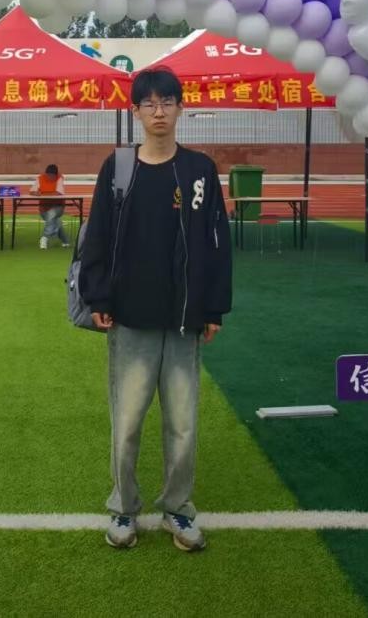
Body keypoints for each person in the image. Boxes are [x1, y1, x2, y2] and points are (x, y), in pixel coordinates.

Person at [77, 68, 232, 553]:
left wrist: (214, 307)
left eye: (168, 102)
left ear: (181, 108)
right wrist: (99, 297)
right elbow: (98, 234)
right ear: (136, 111)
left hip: (184, 319)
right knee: (127, 425)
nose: (159, 111)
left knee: (183, 426)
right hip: (130, 317)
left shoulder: (200, 169)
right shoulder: (119, 168)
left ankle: (177, 509)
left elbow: (217, 241)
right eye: (150, 103)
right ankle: (124, 507)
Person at [31, 163, 70, 249]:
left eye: (52, 176)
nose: (50, 177)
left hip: (58, 207)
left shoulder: (60, 178)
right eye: (48, 175)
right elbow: (32, 191)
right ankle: (65, 241)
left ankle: (44, 238)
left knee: (51, 214)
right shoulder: (40, 178)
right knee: (55, 221)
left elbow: (58, 193)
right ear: (46, 174)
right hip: (44, 208)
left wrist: (42, 194)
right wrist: (36, 193)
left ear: (56, 175)